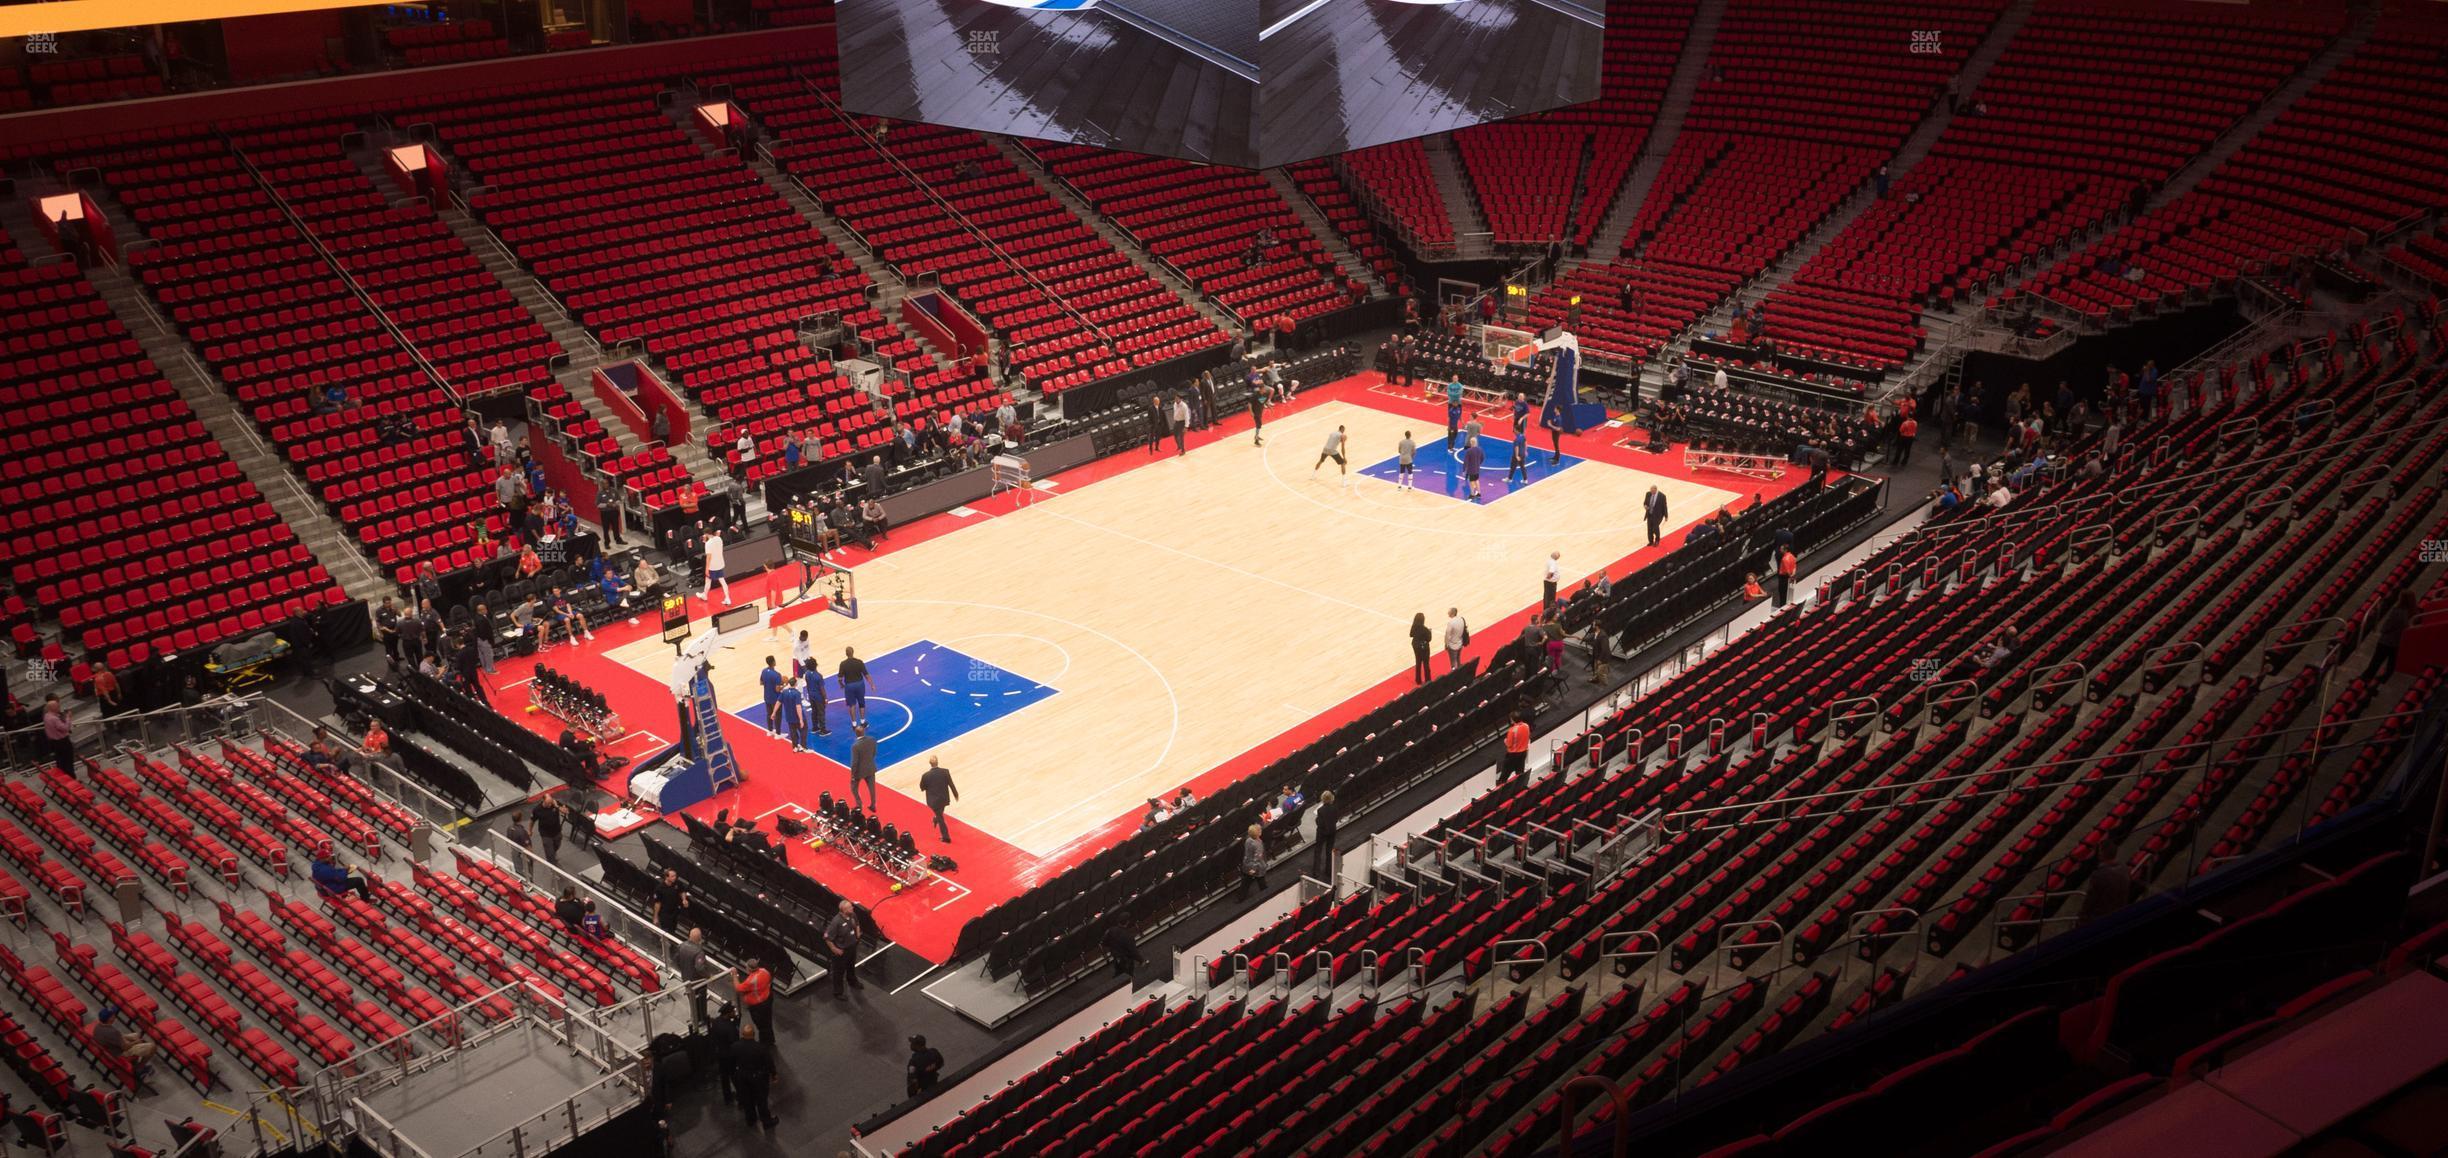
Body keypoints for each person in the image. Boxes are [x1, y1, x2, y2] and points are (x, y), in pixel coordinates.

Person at [731, 1020, 778, 1131]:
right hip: (758, 1077)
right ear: (753, 1035)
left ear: (742, 1034)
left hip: (742, 1076)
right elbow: (769, 1062)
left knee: (747, 1099)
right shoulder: (760, 1048)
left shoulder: (735, 1046)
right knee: (761, 1100)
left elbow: (732, 1060)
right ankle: (766, 1122)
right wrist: (774, 1074)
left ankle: (750, 1119)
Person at [91, 1007, 157, 1085]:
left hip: (110, 1047)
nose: (115, 1016)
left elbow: (118, 1037)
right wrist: (137, 1042)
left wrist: (130, 1038)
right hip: (120, 1053)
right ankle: (139, 1067)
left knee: (136, 1035)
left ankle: (135, 1062)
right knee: (152, 1047)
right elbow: (125, 1047)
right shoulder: (112, 1032)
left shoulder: (97, 1027)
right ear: (109, 1019)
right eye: (113, 1015)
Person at [2365, 592, 2414, 680]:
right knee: (2391, 663)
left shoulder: (2397, 611)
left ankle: (2366, 678)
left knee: (2376, 661)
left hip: (2387, 641)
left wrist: (2383, 630)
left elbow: (2388, 625)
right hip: (2399, 642)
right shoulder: (2412, 611)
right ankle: (2384, 678)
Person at [673, 928, 713, 1027]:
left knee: (692, 999)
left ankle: (694, 1017)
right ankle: (701, 1019)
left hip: (686, 978)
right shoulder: (699, 952)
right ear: (700, 939)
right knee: (701, 1001)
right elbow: (699, 968)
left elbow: (676, 960)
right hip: (698, 981)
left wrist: (683, 969)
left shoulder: (681, 946)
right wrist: (708, 976)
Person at [825, 901, 864, 998]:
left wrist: (857, 934)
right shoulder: (836, 922)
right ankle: (838, 992)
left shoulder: (852, 915)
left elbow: (857, 924)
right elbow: (827, 938)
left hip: (852, 947)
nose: (853, 908)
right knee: (839, 972)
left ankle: (852, 982)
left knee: (851, 966)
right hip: (842, 951)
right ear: (844, 910)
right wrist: (834, 949)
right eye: (850, 907)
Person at [919, 756, 958, 842]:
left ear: (930, 764)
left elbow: (922, 788)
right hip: (944, 799)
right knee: (940, 815)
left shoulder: (925, 776)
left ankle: (946, 837)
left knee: (941, 818)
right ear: (938, 762)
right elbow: (951, 784)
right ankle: (936, 819)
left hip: (933, 801)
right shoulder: (945, 772)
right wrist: (956, 794)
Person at [736, 957, 775, 1041]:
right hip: (768, 999)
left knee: (761, 1026)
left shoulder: (751, 980)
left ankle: (765, 1043)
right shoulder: (764, 971)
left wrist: (734, 975)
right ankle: (770, 1040)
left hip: (758, 1007)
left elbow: (738, 988)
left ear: (749, 969)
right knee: (768, 1022)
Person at [1310, 790, 1339, 881]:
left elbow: (1320, 823)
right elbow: (1336, 819)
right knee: (1329, 850)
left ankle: (1316, 872)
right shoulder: (1335, 808)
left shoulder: (1320, 810)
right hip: (1332, 831)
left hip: (1322, 832)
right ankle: (1328, 870)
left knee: (1318, 851)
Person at [848, 723, 878, 810]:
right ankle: (873, 805)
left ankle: (859, 804)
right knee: (872, 788)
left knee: (854, 788)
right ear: (864, 732)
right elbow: (874, 753)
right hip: (870, 767)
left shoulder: (855, 746)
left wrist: (853, 775)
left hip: (859, 771)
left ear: (855, 733)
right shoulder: (872, 740)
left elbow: (855, 762)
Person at [42, 695, 74, 776]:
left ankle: (64, 778)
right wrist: (68, 717)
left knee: (61, 762)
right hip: (62, 742)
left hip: (54, 742)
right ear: (53, 708)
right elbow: (65, 728)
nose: (59, 707)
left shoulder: (46, 716)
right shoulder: (54, 718)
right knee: (68, 761)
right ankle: (71, 779)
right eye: (58, 706)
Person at [838, 646, 869, 726]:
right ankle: (863, 722)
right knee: (861, 703)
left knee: (852, 705)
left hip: (849, 686)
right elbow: (866, 675)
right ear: (853, 652)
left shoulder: (843, 664)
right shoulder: (859, 662)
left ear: (846, 654)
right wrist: (872, 684)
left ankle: (854, 724)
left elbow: (840, 678)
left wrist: (841, 685)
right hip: (859, 684)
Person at [777, 676, 808, 753]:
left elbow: (778, 702)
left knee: (793, 732)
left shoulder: (784, 692)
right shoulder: (797, 693)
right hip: (796, 717)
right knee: (804, 730)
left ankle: (795, 747)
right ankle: (802, 747)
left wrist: (774, 713)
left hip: (789, 717)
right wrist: (801, 719)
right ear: (796, 684)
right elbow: (798, 707)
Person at [1499, 712, 1531, 785]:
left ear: (1513, 720)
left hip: (1513, 755)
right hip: (1523, 753)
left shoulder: (1512, 730)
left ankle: (1500, 789)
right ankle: (1520, 787)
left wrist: (1505, 740)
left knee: (1505, 774)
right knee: (1520, 772)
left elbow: (1509, 744)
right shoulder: (1526, 726)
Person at [759, 656, 786, 737]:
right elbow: (777, 689)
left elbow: (761, 683)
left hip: (767, 696)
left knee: (769, 713)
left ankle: (770, 731)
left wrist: (769, 684)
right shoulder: (777, 675)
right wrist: (784, 685)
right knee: (777, 715)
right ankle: (778, 733)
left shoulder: (763, 671)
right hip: (775, 698)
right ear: (773, 662)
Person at [1239, 824, 1267, 899]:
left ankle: (1241, 897)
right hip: (1256, 866)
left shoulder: (1248, 840)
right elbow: (1257, 858)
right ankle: (1266, 894)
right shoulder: (1258, 844)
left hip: (1247, 864)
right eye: (1259, 830)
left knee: (1246, 882)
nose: (1261, 831)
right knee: (1260, 880)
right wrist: (1253, 869)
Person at [703, 530, 730, 605]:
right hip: (720, 563)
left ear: (706, 534)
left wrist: (706, 569)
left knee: (708, 580)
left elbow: (708, 557)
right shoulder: (719, 538)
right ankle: (727, 598)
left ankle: (705, 595)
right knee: (722, 581)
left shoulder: (708, 544)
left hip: (712, 566)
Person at [1409, 612, 1434, 685]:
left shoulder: (1414, 627)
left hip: (1415, 645)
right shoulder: (1425, 629)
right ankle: (1428, 680)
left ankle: (1418, 679)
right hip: (1423, 647)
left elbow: (1411, 635)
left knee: (1418, 662)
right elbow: (1429, 639)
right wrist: (1430, 632)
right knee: (1426, 663)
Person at [1461, 436, 1486, 502]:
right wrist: (1479, 464)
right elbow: (1483, 457)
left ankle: (1472, 494)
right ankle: (1479, 493)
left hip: (1471, 469)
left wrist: (1464, 470)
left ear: (1471, 442)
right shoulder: (1480, 449)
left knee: (1471, 481)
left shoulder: (1469, 451)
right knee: (1476, 480)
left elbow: (1465, 461)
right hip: (1477, 468)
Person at [1444, 608, 1470, 672]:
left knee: (1453, 662)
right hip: (1460, 643)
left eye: (1449, 612)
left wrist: (1446, 644)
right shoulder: (1461, 619)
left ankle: (1455, 675)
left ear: (1452, 613)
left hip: (1453, 645)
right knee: (1458, 659)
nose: (1448, 613)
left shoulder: (1451, 623)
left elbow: (1447, 634)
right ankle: (1460, 672)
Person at [1444, 378, 1466, 450]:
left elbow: (1460, 416)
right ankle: (1449, 447)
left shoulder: (1458, 409)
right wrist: (1448, 426)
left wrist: (1462, 423)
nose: (1456, 404)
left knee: (1455, 435)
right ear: (1453, 403)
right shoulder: (1451, 410)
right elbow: (1449, 418)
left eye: (1457, 403)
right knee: (1451, 436)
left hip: (1455, 425)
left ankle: (1452, 446)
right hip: (1451, 425)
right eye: (1455, 403)